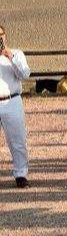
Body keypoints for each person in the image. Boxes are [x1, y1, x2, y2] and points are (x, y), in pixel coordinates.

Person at [0, 25, 31, 189]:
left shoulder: (17, 54)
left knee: (17, 140)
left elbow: (25, 74)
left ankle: (21, 174)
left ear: (5, 36)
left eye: (0, 35)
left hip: (12, 100)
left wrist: (9, 56)